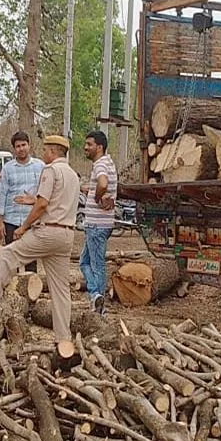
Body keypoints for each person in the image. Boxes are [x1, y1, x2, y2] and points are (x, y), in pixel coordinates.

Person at [0, 135, 80, 343]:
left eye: (46, 150)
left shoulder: (50, 170)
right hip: (66, 234)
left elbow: (43, 204)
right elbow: (51, 201)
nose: (43, 154)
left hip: (48, 232)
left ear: (53, 151)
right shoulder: (72, 174)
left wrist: (24, 227)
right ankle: (64, 339)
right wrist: (31, 201)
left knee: (7, 254)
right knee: (61, 289)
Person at [0, 131, 44, 273]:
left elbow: (44, 194)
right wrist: (0, 221)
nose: (21, 149)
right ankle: (12, 290)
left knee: (30, 257)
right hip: (11, 220)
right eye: (18, 146)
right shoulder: (8, 169)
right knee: (11, 256)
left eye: (24, 145)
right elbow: (1, 194)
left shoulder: (40, 166)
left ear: (29, 145)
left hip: (32, 220)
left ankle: (29, 286)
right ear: (14, 149)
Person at [80, 129, 117, 314]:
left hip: (96, 225)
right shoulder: (108, 162)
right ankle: (96, 295)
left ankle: (97, 298)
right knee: (84, 262)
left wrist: (96, 196)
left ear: (99, 147)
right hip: (102, 223)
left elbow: (102, 184)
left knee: (96, 264)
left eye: (89, 144)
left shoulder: (100, 164)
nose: (85, 147)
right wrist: (91, 190)